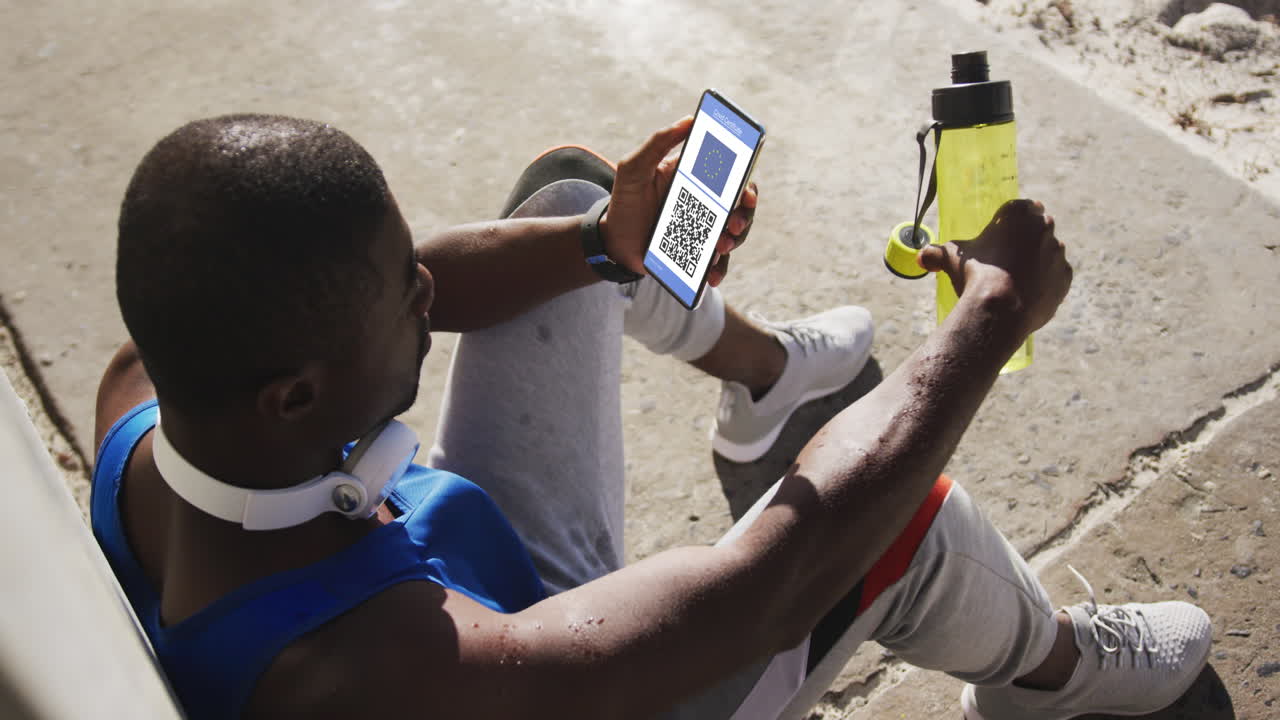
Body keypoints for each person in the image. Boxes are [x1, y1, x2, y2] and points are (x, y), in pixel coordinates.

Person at [91, 113, 1210, 720]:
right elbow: (770, 581)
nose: (428, 290)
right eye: (404, 291)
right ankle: (1050, 678)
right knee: (901, 527)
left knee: (568, 195)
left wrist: (598, 246)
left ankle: (765, 374)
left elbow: (391, 290)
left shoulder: (148, 394)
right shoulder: (375, 676)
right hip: (552, 678)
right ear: (294, 392)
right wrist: (989, 321)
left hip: (470, 589)